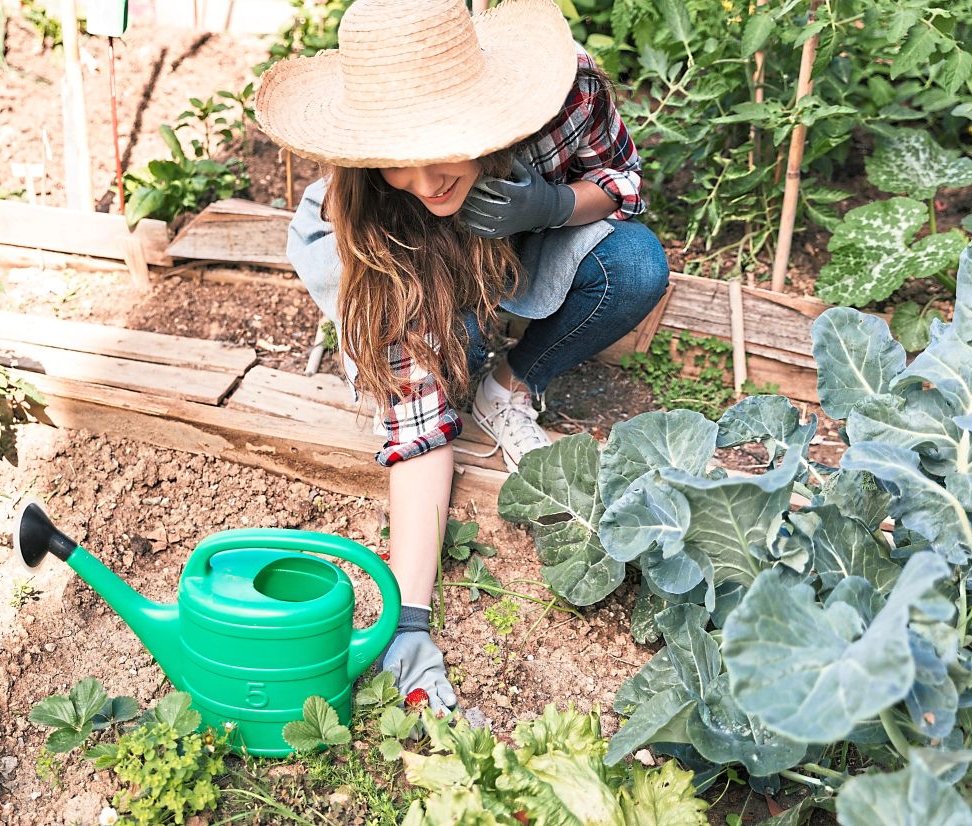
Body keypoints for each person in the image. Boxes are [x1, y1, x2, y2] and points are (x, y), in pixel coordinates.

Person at [254, 0, 669, 711]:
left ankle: (507, 384)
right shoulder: (376, 212)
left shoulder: (562, 92)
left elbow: (622, 181)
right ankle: (436, 336)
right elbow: (417, 423)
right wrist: (407, 621)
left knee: (634, 267)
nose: (423, 180)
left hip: (518, 215)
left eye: (440, 150)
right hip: (397, 255)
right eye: (397, 163)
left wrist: (549, 206)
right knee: (440, 354)